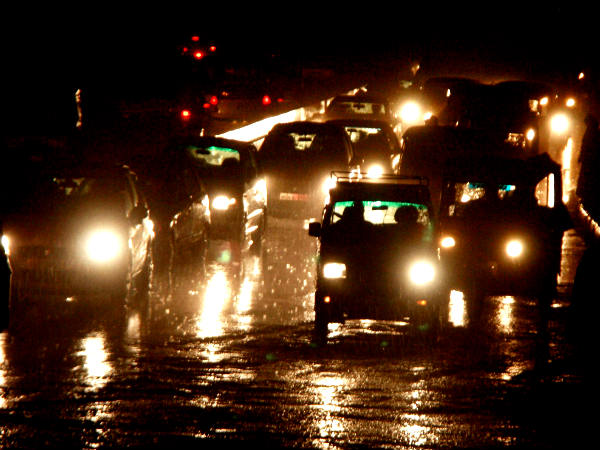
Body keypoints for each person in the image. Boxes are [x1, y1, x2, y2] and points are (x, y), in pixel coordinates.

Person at [576, 113, 600, 220]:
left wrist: (582, 156)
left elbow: (587, 146)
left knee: (588, 179)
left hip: (591, 162)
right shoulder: (592, 133)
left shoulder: (592, 133)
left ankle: (587, 197)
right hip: (590, 162)